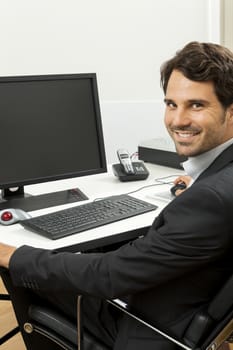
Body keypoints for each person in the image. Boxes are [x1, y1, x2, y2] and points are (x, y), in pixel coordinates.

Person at [1, 41, 233, 350]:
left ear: (231, 111)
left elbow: (109, 277)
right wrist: (198, 182)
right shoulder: (217, 184)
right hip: (184, 303)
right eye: (171, 104)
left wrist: (11, 255)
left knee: (24, 271)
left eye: (197, 105)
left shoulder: (211, 200)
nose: (177, 120)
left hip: (148, 326)